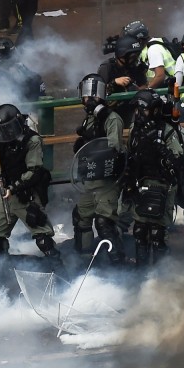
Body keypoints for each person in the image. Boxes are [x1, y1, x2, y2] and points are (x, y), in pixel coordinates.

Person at [0, 104, 59, 260]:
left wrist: (14, 187)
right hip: (5, 196)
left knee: (43, 240)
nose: (5, 133)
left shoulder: (32, 140)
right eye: (2, 129)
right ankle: (3, 272)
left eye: (8, 128)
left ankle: (61, 274)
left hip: (26, 194)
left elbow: (34, 171)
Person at [124, 89, 184, 266]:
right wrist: (129, 183)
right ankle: (141, 273)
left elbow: (177, 163)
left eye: (143, 109)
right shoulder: (135, 129)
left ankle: (161, 276)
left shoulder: (166, 131)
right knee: (140, 231)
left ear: (155, 110)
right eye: (137, 109)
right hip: (142, 183)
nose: (138, 113)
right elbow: (131, 155)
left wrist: (160, 148)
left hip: (163, 184)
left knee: (158, 234)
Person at [71, 74, 126, 264]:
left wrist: (93, 150)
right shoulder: (89, 119)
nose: (88, 99)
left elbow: (115, 148)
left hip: (106, 180)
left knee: (104, 223)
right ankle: (85, 261)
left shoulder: (112, 119)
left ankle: (118, 263)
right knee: (80, 217)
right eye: (86, 95)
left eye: (92, 95)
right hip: (90, 178)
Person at [97, 34, 147, 125]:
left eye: (136, 55)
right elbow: (98, 95)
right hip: (111, 114)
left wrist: (136, 90)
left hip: (131, 112)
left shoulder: (136, 67)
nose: (135, 58)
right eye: (132, 56)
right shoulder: (107, 67)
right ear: (122, 55)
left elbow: (144, 86)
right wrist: (114, 83)